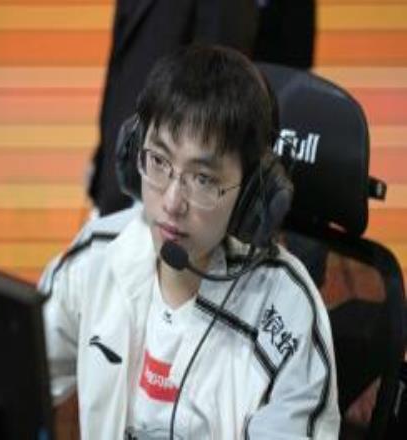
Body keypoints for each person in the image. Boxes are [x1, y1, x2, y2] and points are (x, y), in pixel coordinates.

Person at [40, 45, 340, 439]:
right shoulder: (97, 256)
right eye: (159, 161)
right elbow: (12, 376)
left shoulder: (289, 314)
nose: (171, 202)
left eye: (203, 179)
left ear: (252, 195)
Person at [88, 0, 259, 216]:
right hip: (118, 181)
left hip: (168, 198)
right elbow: (120, 72)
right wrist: (100, 163)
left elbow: (218, 91)